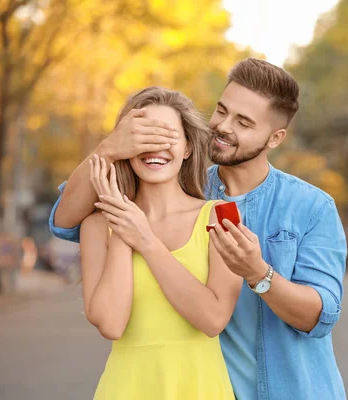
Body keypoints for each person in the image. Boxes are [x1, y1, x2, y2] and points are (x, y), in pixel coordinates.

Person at [49, 58, 347, 399]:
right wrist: (108, 149)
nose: (222, 126)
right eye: (222, 111)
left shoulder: (310, 207)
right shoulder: (179, 186)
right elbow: (64, 221)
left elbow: (320, 315)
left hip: (287, 391)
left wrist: (258, 273)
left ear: (275, 138)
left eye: (244, 122)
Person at [79, 87, 241, 398]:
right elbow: (111, 324)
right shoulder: (97, 226)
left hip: (200, 387)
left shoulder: (221, 216)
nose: (156, 148)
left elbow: (213, 319)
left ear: (188, 148)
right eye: (144, 136)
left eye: (167, 136)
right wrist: (123, 220)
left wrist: (146, 239)